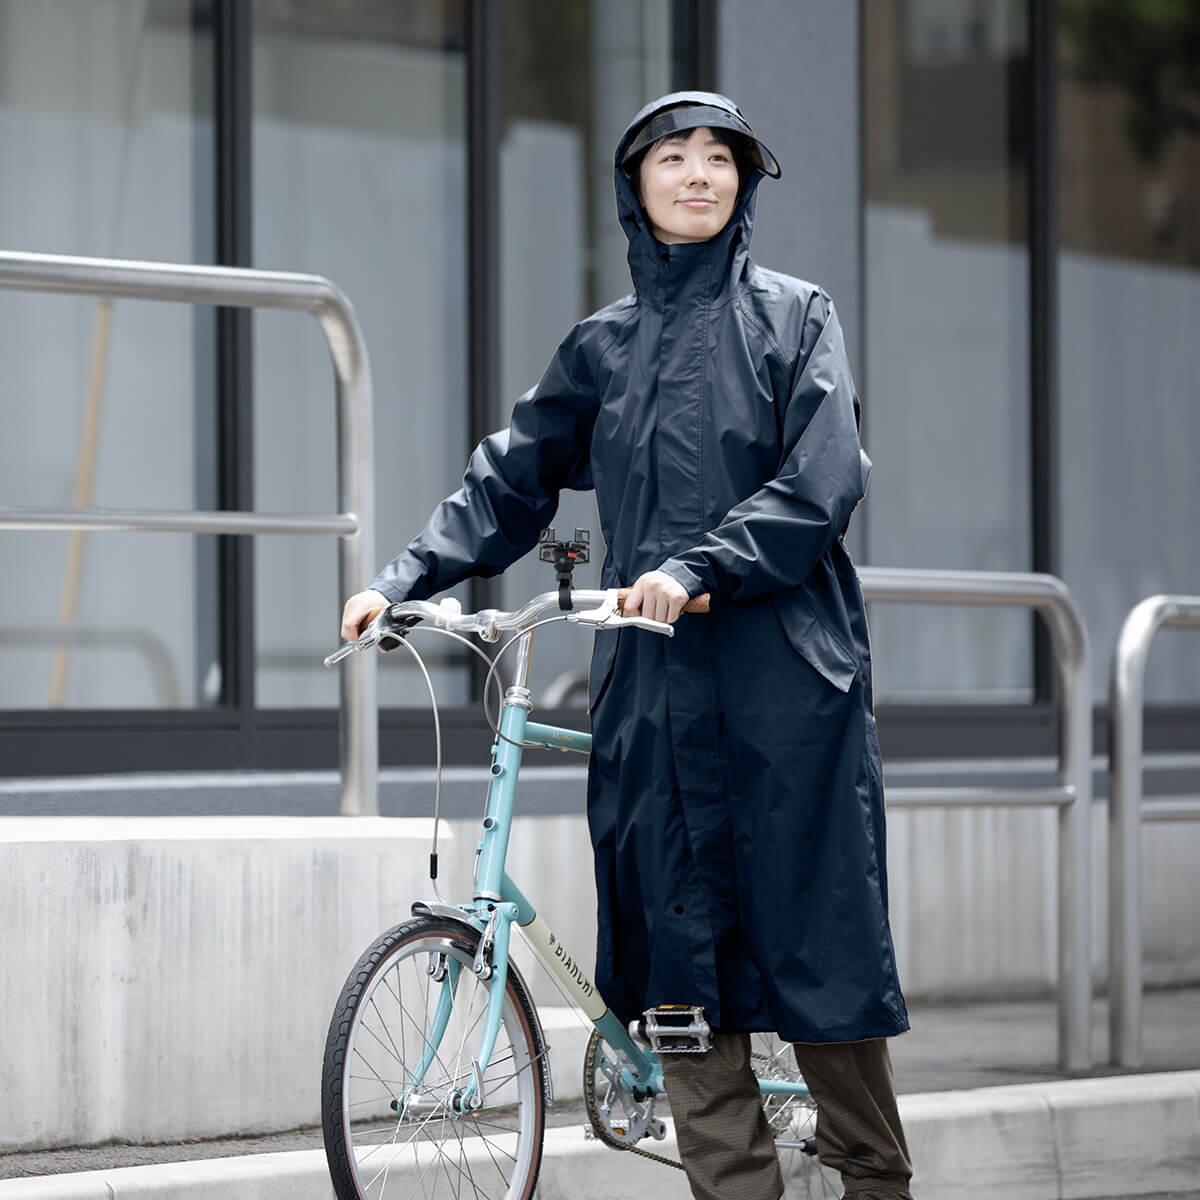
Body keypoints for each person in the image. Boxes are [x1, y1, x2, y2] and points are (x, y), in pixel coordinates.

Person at [341, 91, 913, 1200]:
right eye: (674, 159)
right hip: (652, 698)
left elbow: (824, 477)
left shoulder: (799, 318)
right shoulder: (603, 347)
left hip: (787, 690)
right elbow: (511, 478)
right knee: (675, 965)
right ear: (635, 184)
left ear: (745, 183)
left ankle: (875, 1181)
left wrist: (701, 566)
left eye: (719, 160)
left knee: (821, 958)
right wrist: (399, 580)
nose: (698, 176)